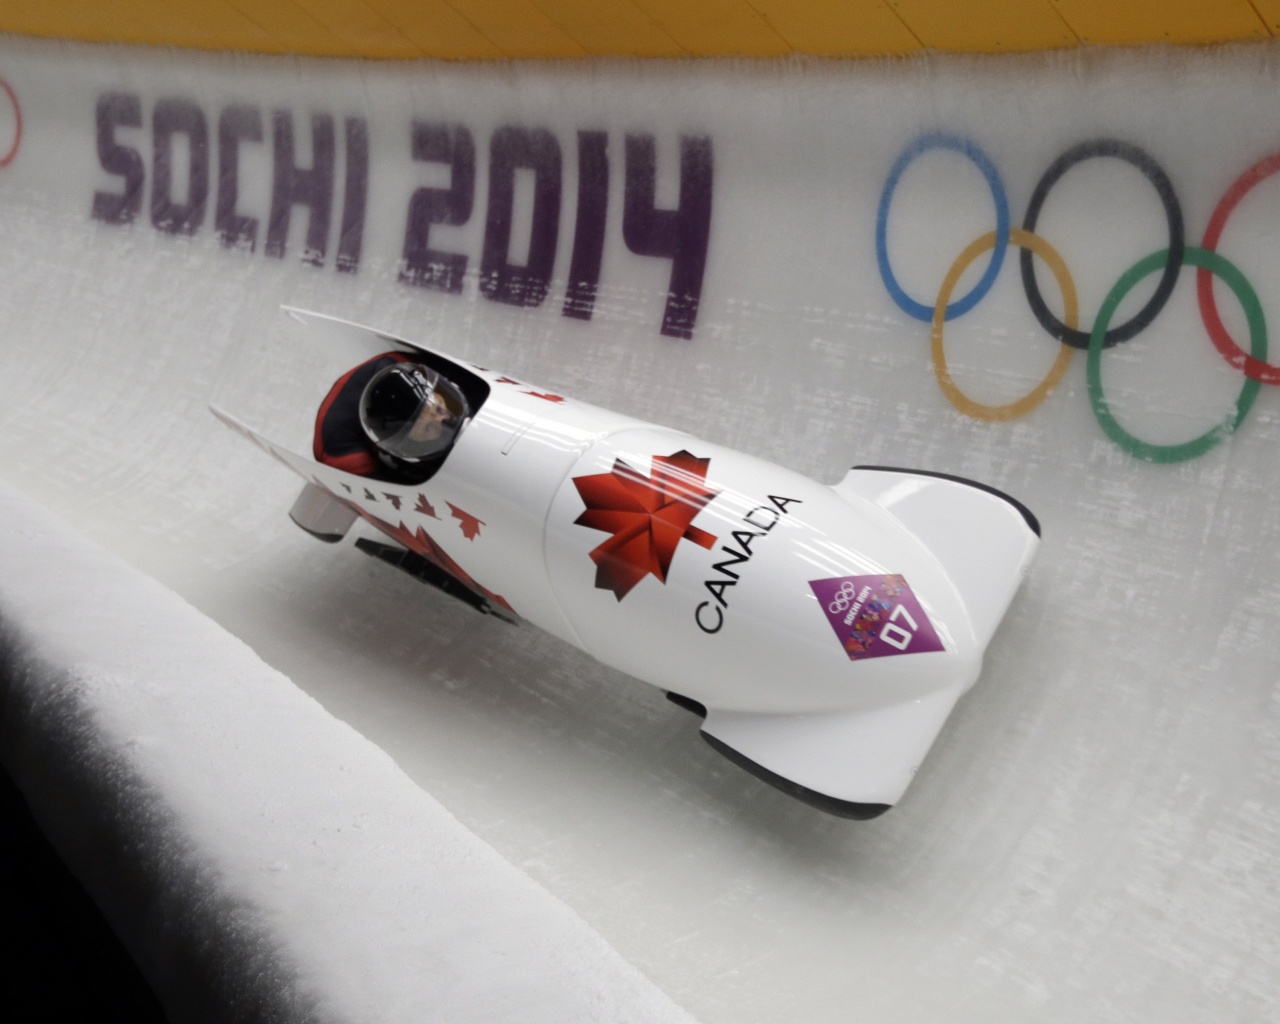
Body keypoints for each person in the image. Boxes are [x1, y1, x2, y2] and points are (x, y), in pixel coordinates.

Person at [314, 352, 470, 482]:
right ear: (409, 444)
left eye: (438, 408)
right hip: (344, 449)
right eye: (428, 428)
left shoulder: (406, 365)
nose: (445, 422)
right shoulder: (343, 457)